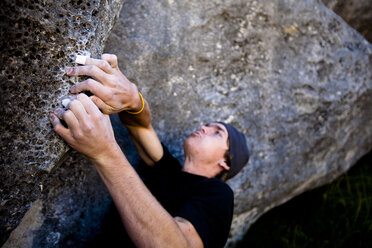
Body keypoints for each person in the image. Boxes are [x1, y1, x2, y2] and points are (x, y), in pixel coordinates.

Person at [49, 54, 250, 248]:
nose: (205, 128)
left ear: (226, 162)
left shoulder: (218, 195)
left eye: (217, 133)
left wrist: (106, 153)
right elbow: (140, 126)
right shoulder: (169, 171)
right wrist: (134, 99)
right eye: (208, 124)